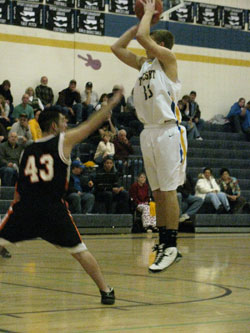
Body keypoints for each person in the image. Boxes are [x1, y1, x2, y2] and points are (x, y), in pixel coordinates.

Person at [0, 90, 123, 305]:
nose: (67, 125)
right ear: (55, 126)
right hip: (52, 209)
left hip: (25, 208)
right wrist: (110, 103)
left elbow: (20, 188)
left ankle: (105, 289)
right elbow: (89, 126)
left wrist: (15, 212)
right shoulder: (62, 142)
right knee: (80, 251)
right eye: (64, 121)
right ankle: (106, 290)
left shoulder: (26, 151)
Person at [111, 0, 187, 272]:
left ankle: (172, 245)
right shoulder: (145, 64)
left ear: (161, 45)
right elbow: (116, 48)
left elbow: (144, 36)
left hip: (168, 130)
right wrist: (137, 25)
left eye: (151, 42)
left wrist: (148, 15)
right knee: (157, 192)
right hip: (149, 132)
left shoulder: (168, 60)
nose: (145, 44)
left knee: (168, 191)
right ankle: (164, 244)